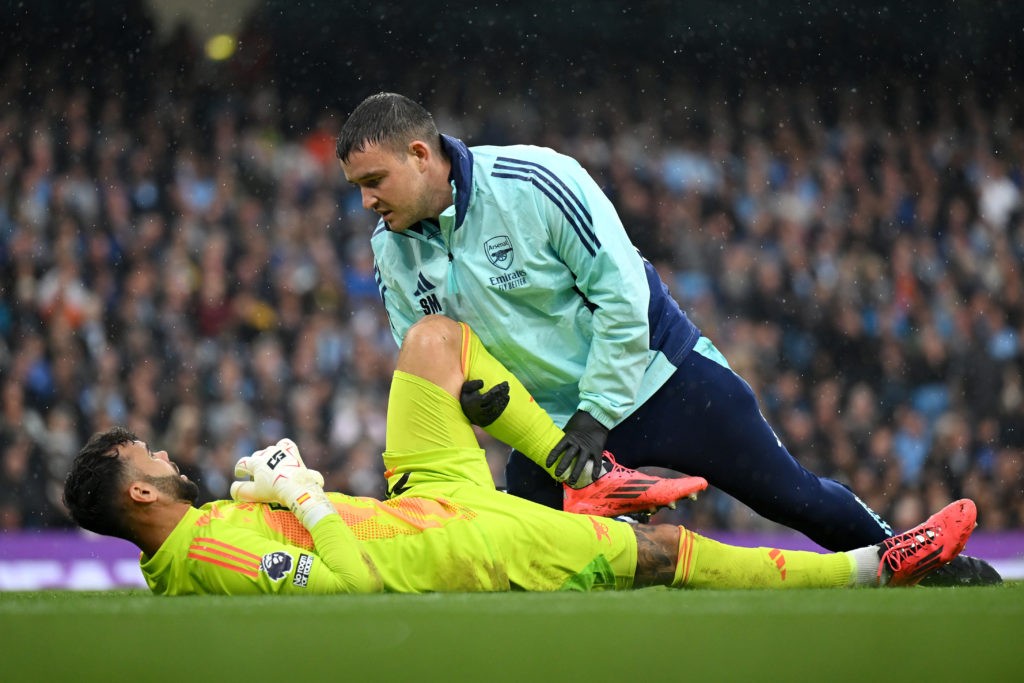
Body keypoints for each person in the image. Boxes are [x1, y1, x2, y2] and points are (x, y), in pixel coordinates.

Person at [335, 93, 999, 586]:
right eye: (357, 189)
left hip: (665, 379)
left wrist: (595, 414)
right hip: (550, 430)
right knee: (525, 561)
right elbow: (429, 354)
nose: (366, 202)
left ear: (420, 155)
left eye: (374, 182)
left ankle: (920, 565)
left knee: (789, 494)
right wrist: (483, 407)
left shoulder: (535, 182)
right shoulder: (390, 251)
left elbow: (623, 293)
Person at [63, 315, 977, 595]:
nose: (168, 451)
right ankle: (868, 568)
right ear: (140, 490)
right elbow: (349, 590)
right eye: (152, 454)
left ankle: (588, 473)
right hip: (450, 542)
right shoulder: (215, 549)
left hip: (425, 494)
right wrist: (303, 492)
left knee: (433, 342)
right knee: (658, 557)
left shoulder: (195, 544)